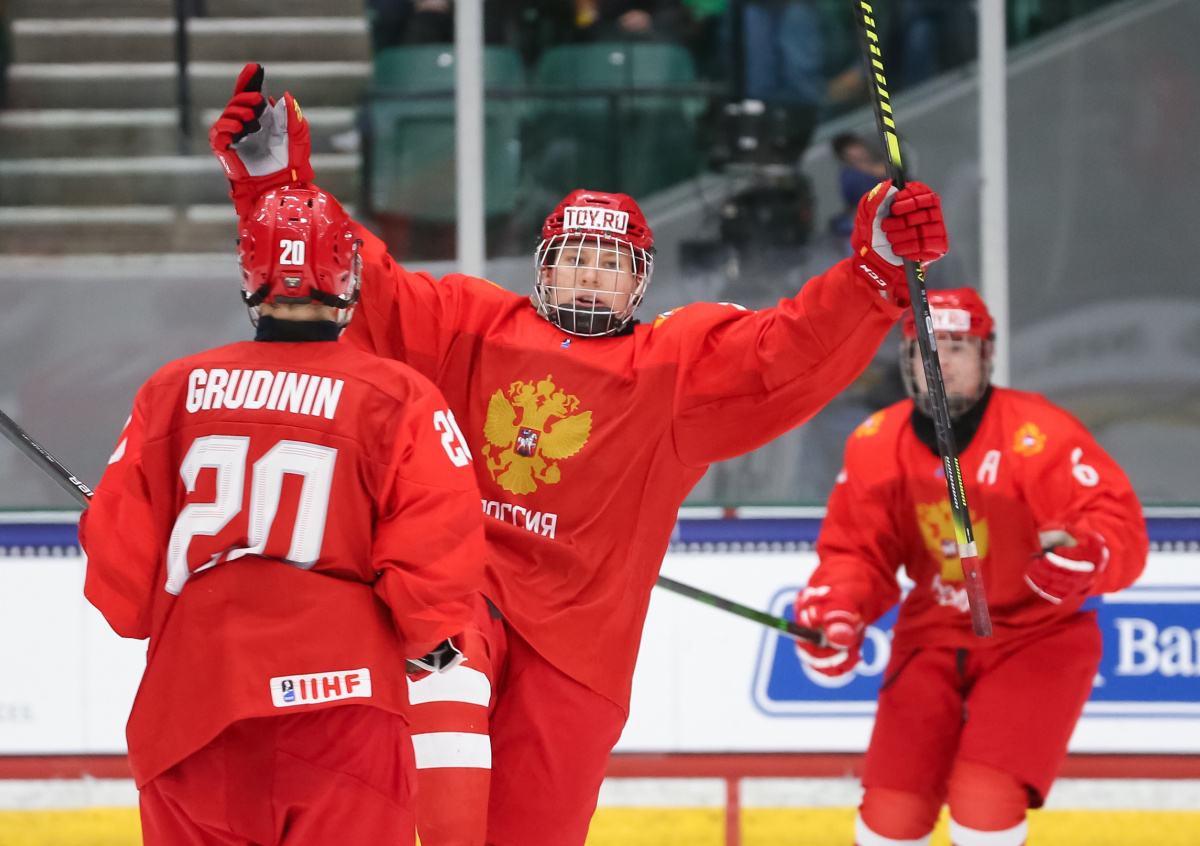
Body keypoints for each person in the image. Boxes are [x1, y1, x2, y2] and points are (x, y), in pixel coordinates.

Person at [209, 63, 949, 846]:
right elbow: (363, 284)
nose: (590, 276)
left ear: (638, 282)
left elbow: (784, 350)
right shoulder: (469, 323)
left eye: (610, 263)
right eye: (575, 257)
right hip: (460, 595)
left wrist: (872, 275)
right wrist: (275, 189)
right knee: (441, 656)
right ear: (545, 265)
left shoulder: (675, 365)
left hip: (579, 652)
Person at [79, 185, 487, 846]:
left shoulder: (171, 390)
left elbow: (120, 586)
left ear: (250, 271)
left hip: (190, 708)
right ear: (346, 274)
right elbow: (435, 560)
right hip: (342, 709)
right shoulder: (399, 397)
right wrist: (430, 646)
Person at [794, 288, 1148, 846]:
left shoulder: (1039, 433)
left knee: (985, 803)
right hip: (932, 635)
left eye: (957, 347)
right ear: (908, 360)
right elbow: (856, 553)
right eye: (926, 349)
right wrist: (839, 607)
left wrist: (1091, 551)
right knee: (889, 819)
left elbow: (1112, 522)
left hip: (1036, 635)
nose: (941, 363)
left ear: (987, 355)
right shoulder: (875, 444)